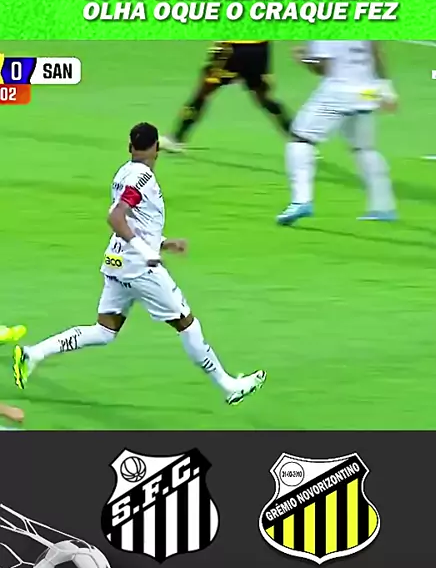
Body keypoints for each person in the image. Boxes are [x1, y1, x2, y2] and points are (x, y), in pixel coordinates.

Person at [13, 123, 265, 407]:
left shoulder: (123, 172)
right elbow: (116, 217)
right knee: (187, 323)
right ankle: (228, 385)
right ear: (157, 148)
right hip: (140, 269)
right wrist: (146, 251)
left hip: (117, 261)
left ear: (130, 147)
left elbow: (134, 222)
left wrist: (163, 242)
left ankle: (34, 353)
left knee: (104, 331)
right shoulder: (142, 178)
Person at [276, 41, 398, 225]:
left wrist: (305, 59)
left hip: (338, 92)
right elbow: (376, 51)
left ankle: (301, 201)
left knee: (300, 139)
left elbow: (323, 67)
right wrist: (387, 90)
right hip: (367, 93)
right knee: (364, 149)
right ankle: (383, 208)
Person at [159, 41, 292, 151]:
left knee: (203, 92)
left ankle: (177, 138)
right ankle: (296, 136)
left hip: (233, 48)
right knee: (264, 97)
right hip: (260, 48)